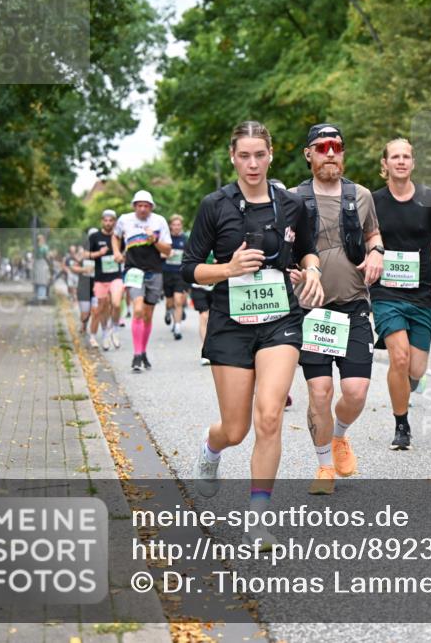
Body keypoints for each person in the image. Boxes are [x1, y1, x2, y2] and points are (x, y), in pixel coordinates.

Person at [182, 120, 323, 550]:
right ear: (232, 157)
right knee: (237, 428)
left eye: (259, 155)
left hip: (279, 317)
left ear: (271, 154)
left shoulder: (292, 204)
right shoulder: (215, 205)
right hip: (229, 322)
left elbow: (308, 249)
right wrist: (227, 269)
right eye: (244, 156)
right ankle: (211, 448)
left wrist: (313, 270)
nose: (252, 164)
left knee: (270, 415)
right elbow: (190, 267)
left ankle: (258, 517)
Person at [290, 123, 384, 494]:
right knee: (320, 394)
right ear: (308, 154)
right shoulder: (293, 200)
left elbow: (372, 233)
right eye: (322, 146)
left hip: (355, 305)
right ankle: (324, 465)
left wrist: (376, 252)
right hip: (311, 310)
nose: (331, 153)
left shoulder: (360, 195)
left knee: (356, 392)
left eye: (337, 146)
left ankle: (341, 435)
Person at [370, 138, 431, 450]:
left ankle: (407, 387)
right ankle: (401, 424)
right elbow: (363, 237)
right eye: (395, 157)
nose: (401, 161)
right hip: (385, 291)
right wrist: (370, 255)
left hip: (421, 292)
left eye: (406, 156)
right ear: (385, 164)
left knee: (415, 368)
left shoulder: (429, 198)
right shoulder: (374, 201)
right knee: (400, 356)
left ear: (413, 163)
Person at [112, 191, 172, 371]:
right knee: (137, 309)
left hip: (154, 271)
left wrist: (154, 240)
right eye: (139, 205)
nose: (143, 208)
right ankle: (137, 355)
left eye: (146, 205)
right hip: (133, 269)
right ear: (134, 206)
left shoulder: (159, 221)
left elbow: (168, 250)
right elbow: (115, 236)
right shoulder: (124, 219)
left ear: (151, 207)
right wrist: (116, 251)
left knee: (147, 315)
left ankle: (143, 351)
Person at [87, 210, 124, 350]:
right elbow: (85, 254)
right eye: (106, 220)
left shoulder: (119, 237)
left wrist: (122, 256)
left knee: (116, 303)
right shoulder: (95, 237)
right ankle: (104, 333)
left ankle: (115, 329)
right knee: (102, 307)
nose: (108, 223)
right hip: (100, 279)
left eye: (111, 220)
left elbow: (127, 252)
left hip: (116, 276)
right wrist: (99, 253)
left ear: (115, 222)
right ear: (102, 221)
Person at [162, 214, 190, 340]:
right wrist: (165, 255)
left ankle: (177, 327)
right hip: (167, 273)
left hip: (180, 274)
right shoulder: (165, 239)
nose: (176, 227)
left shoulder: (185, 239)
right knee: (170, 301)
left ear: (181, 226)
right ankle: (168, 311)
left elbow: (190, 255)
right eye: (174, 225)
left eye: (179, 225)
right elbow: (158, 254)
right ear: (170, 226)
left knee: (178, 300)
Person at [189, 250, 216, 366]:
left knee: (213, 319)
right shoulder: (197, 243)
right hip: (198, 286)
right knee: (204, 315)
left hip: (215, 285)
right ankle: (206, 351)